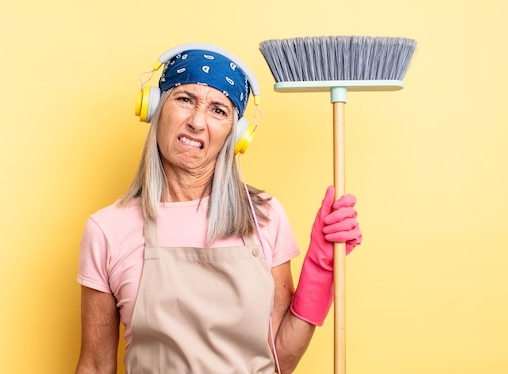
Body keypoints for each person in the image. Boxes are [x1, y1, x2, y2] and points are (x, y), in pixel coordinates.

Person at [75, 43, 362, 374]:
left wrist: (321, 267)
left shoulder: (264, 217)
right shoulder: (107, 229)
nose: (197, 122)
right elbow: (96, 365)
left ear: (235, 134)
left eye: (218, 110)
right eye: (185, 100)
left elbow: (279, 358)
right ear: (155, 108)